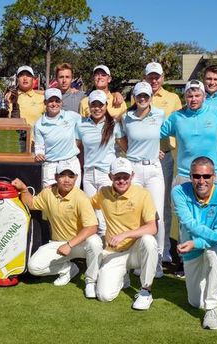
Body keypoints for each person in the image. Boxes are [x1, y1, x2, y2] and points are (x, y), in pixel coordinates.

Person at [12, 161, 102, 298]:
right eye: (62, 175)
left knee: (95, 242)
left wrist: (69, 244)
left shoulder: (81, 197)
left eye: (71, 176)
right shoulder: (48, 193)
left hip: (78, 244)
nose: (67, 180)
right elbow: (31, 204)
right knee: (34, 267)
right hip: (57, 243)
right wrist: (24, 189)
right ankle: (68, 269)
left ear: (76, 178)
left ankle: (91, 281)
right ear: (55, 177)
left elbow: (92, 227)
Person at [172, 157, 217, 330]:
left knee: (212, 253)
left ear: (214, 176)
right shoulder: (178, 192)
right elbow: (190, 224)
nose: (201, 181)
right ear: (190, 176)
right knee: (195, 302)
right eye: (196, 176)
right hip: (196, 246)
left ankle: (212, 309)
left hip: (214, 245)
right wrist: (215, 239)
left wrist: (198, 243)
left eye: (206, 176)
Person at [91, 158, 159, 310]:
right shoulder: (103, 193)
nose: (122, 181)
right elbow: (86, 205)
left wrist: (125, 234)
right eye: (117, 177)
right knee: (104, 296)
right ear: (110, 177)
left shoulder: (143, 194)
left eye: (125, 177)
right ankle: (123, 276)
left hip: (136, 251)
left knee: (149, 240)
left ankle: (146, 291)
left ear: (132, 176)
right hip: (113, 252)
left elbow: (152, 228)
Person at [121, 81, 166, 276]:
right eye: (139, 95)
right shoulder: (126, 117)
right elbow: (121, 140)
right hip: (134, 169)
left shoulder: (159, 114)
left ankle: (157, 260)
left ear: (150, 97)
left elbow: (164, 135)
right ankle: (137, 258)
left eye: (146, 96)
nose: (142, 98)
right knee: (135, 214)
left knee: (156, 216)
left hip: (154, 168)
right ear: (134, 97)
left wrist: (159, 150)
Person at [145, 62, 183, 264]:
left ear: (162, 77)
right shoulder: (139, 95)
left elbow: (180, 125)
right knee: (144, 204)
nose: (154, 80)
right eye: (150, 76)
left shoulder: (172, 99)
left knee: (163, 206)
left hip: (164, 157)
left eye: (157, 76)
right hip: (143, 159)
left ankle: (165, 248)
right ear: (145, 77)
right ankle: (145, 246)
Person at [76, 90, 126, 237]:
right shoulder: (81, 124)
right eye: (93, 105)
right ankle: (95, 252)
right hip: (89, 175)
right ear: (89, 106)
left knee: (105, 214)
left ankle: (107, 251)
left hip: (107, 175)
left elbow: (126, 148)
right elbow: (75, 147)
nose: (97, 108)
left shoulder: (114, 125)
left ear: (106, 105)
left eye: (100, 105)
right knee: (92, 215)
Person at [160, 80, 217, 186]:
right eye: (190, 96)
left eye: (197, 95)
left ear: (204, 96)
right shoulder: (176, 117)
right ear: (185, 97)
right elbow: (155, 134)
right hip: (185, 176)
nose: (194, 99)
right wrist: (154, 151)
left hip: (212, 175)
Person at [33, 88, 82, 188]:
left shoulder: (72, 116)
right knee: (49, 199)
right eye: (51, 101)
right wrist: (39, 154)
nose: (54, 104)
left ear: (61, 102)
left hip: (71, 162)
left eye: (57, 101)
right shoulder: (39, 124)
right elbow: (39, 147)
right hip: (50, 165)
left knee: (72, 198)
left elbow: (87, 124)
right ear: (45, 102)